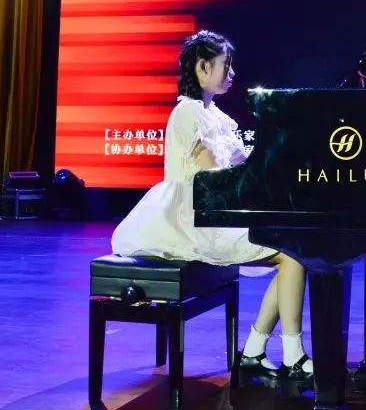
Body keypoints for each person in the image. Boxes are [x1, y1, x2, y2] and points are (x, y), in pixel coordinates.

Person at [111, 29, 313, 385]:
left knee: (294, 250)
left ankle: (257, 352)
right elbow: (215, 176)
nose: (232, 72)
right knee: (292, 254)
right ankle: (288, 355)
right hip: (196, 219)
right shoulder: (189, 114)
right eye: (225, 64)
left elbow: (244, 164)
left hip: (216, 210)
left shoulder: (213, 114)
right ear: (203, 67)